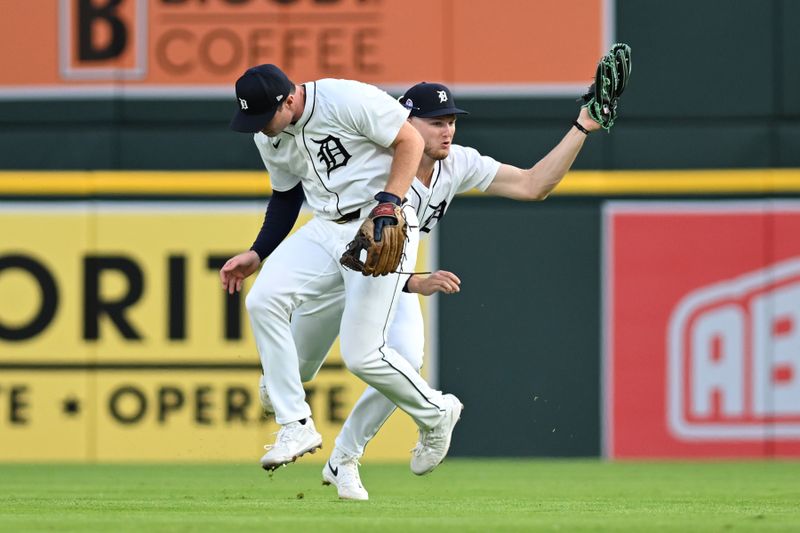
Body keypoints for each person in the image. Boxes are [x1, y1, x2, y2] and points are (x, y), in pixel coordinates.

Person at [257, 81, 602, 500]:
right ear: (405, 122)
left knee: (398, 361)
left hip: (383, 277)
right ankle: (279, 393)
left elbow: (533, 184)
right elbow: (341, 221)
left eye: (452, 121)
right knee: (298, 371)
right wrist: (414, 280)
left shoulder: (458, 163)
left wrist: (581, 127)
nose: (448, 131)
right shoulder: (375, 159)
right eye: (436, 122)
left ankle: (344, 458)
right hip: (345, 264)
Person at [219, 65, 463, 480]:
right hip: (326, 227)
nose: (260, 128)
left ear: (289, 100)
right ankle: (295, 425)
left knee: (362, 355)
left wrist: (389, 201)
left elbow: (407, 139)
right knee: (263, 299)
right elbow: (285, 196)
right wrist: (258, 253)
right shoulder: (269, 135)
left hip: (382, 221)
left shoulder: (343, 99)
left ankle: (437, 412)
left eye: (264, 116)